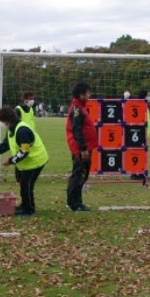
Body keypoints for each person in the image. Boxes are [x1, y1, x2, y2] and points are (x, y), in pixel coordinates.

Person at [0, 107, 49, 217]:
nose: (1, 124)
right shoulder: (11, 129)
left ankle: (29, 210)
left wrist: (11, 160)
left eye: (1, 121)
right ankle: (26, 205)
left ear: (7, 120)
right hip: (26, 162)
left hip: (36, 160)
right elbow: (5, 145)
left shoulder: (22, 131)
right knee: (24, 184)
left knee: (26, 184)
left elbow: (25, 150)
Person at [66, 83, 98, 212]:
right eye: (88, 93)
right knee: (79, 175)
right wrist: (83, 149)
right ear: (81, 95)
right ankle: (75, 204)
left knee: (82, 175)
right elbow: (76, 130)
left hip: (84, 147)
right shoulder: (77, 109)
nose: (89, 95)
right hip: (80, 149)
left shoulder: (80, 107)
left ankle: (75, 202)